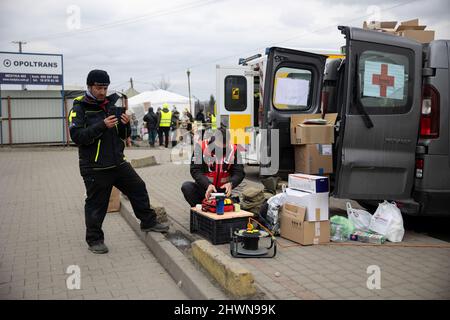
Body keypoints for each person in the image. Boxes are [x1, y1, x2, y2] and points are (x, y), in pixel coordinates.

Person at [68, 69, 169, 254]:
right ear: (89, 86)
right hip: (95, 166)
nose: (102, 92)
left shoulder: (111, 105)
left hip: (118, 162)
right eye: (98, 87)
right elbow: (77, 137)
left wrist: (125, 124)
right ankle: (95, 240)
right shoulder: (79, 108)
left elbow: (123, 135)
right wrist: (101, 125)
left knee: (138, 187)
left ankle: (148, 222)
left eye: (105, 87)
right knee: (96, 204)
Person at [181, 127, 245, 207]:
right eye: (219, 147)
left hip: (223, 190)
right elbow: (195, 170)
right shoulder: (200, 147)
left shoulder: (234, 150)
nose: (222, 150)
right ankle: (201, 209)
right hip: (205, 188)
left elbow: (239, 172)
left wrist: (231, 183)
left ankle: (216, 207)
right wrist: (208, 185)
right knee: (187, 187)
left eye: (225, 148)